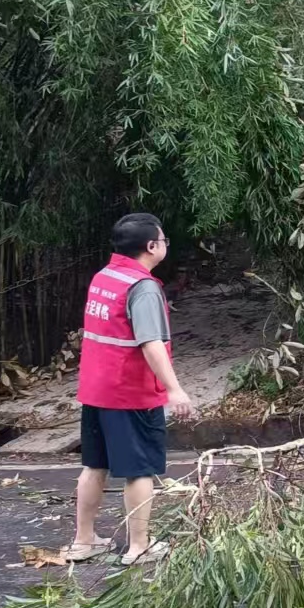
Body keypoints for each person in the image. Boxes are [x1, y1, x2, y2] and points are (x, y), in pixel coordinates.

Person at [59, 213, 195, 564]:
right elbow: (150, 344)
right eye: (163, 240)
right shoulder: (144, 288)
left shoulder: (105, 277)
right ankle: (139, 547)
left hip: (96, 389)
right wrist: (174, 390)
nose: (165, 245)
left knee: (94, 465)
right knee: (139, 469)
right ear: (151, 247)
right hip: (130, 392)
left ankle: (84, 541)